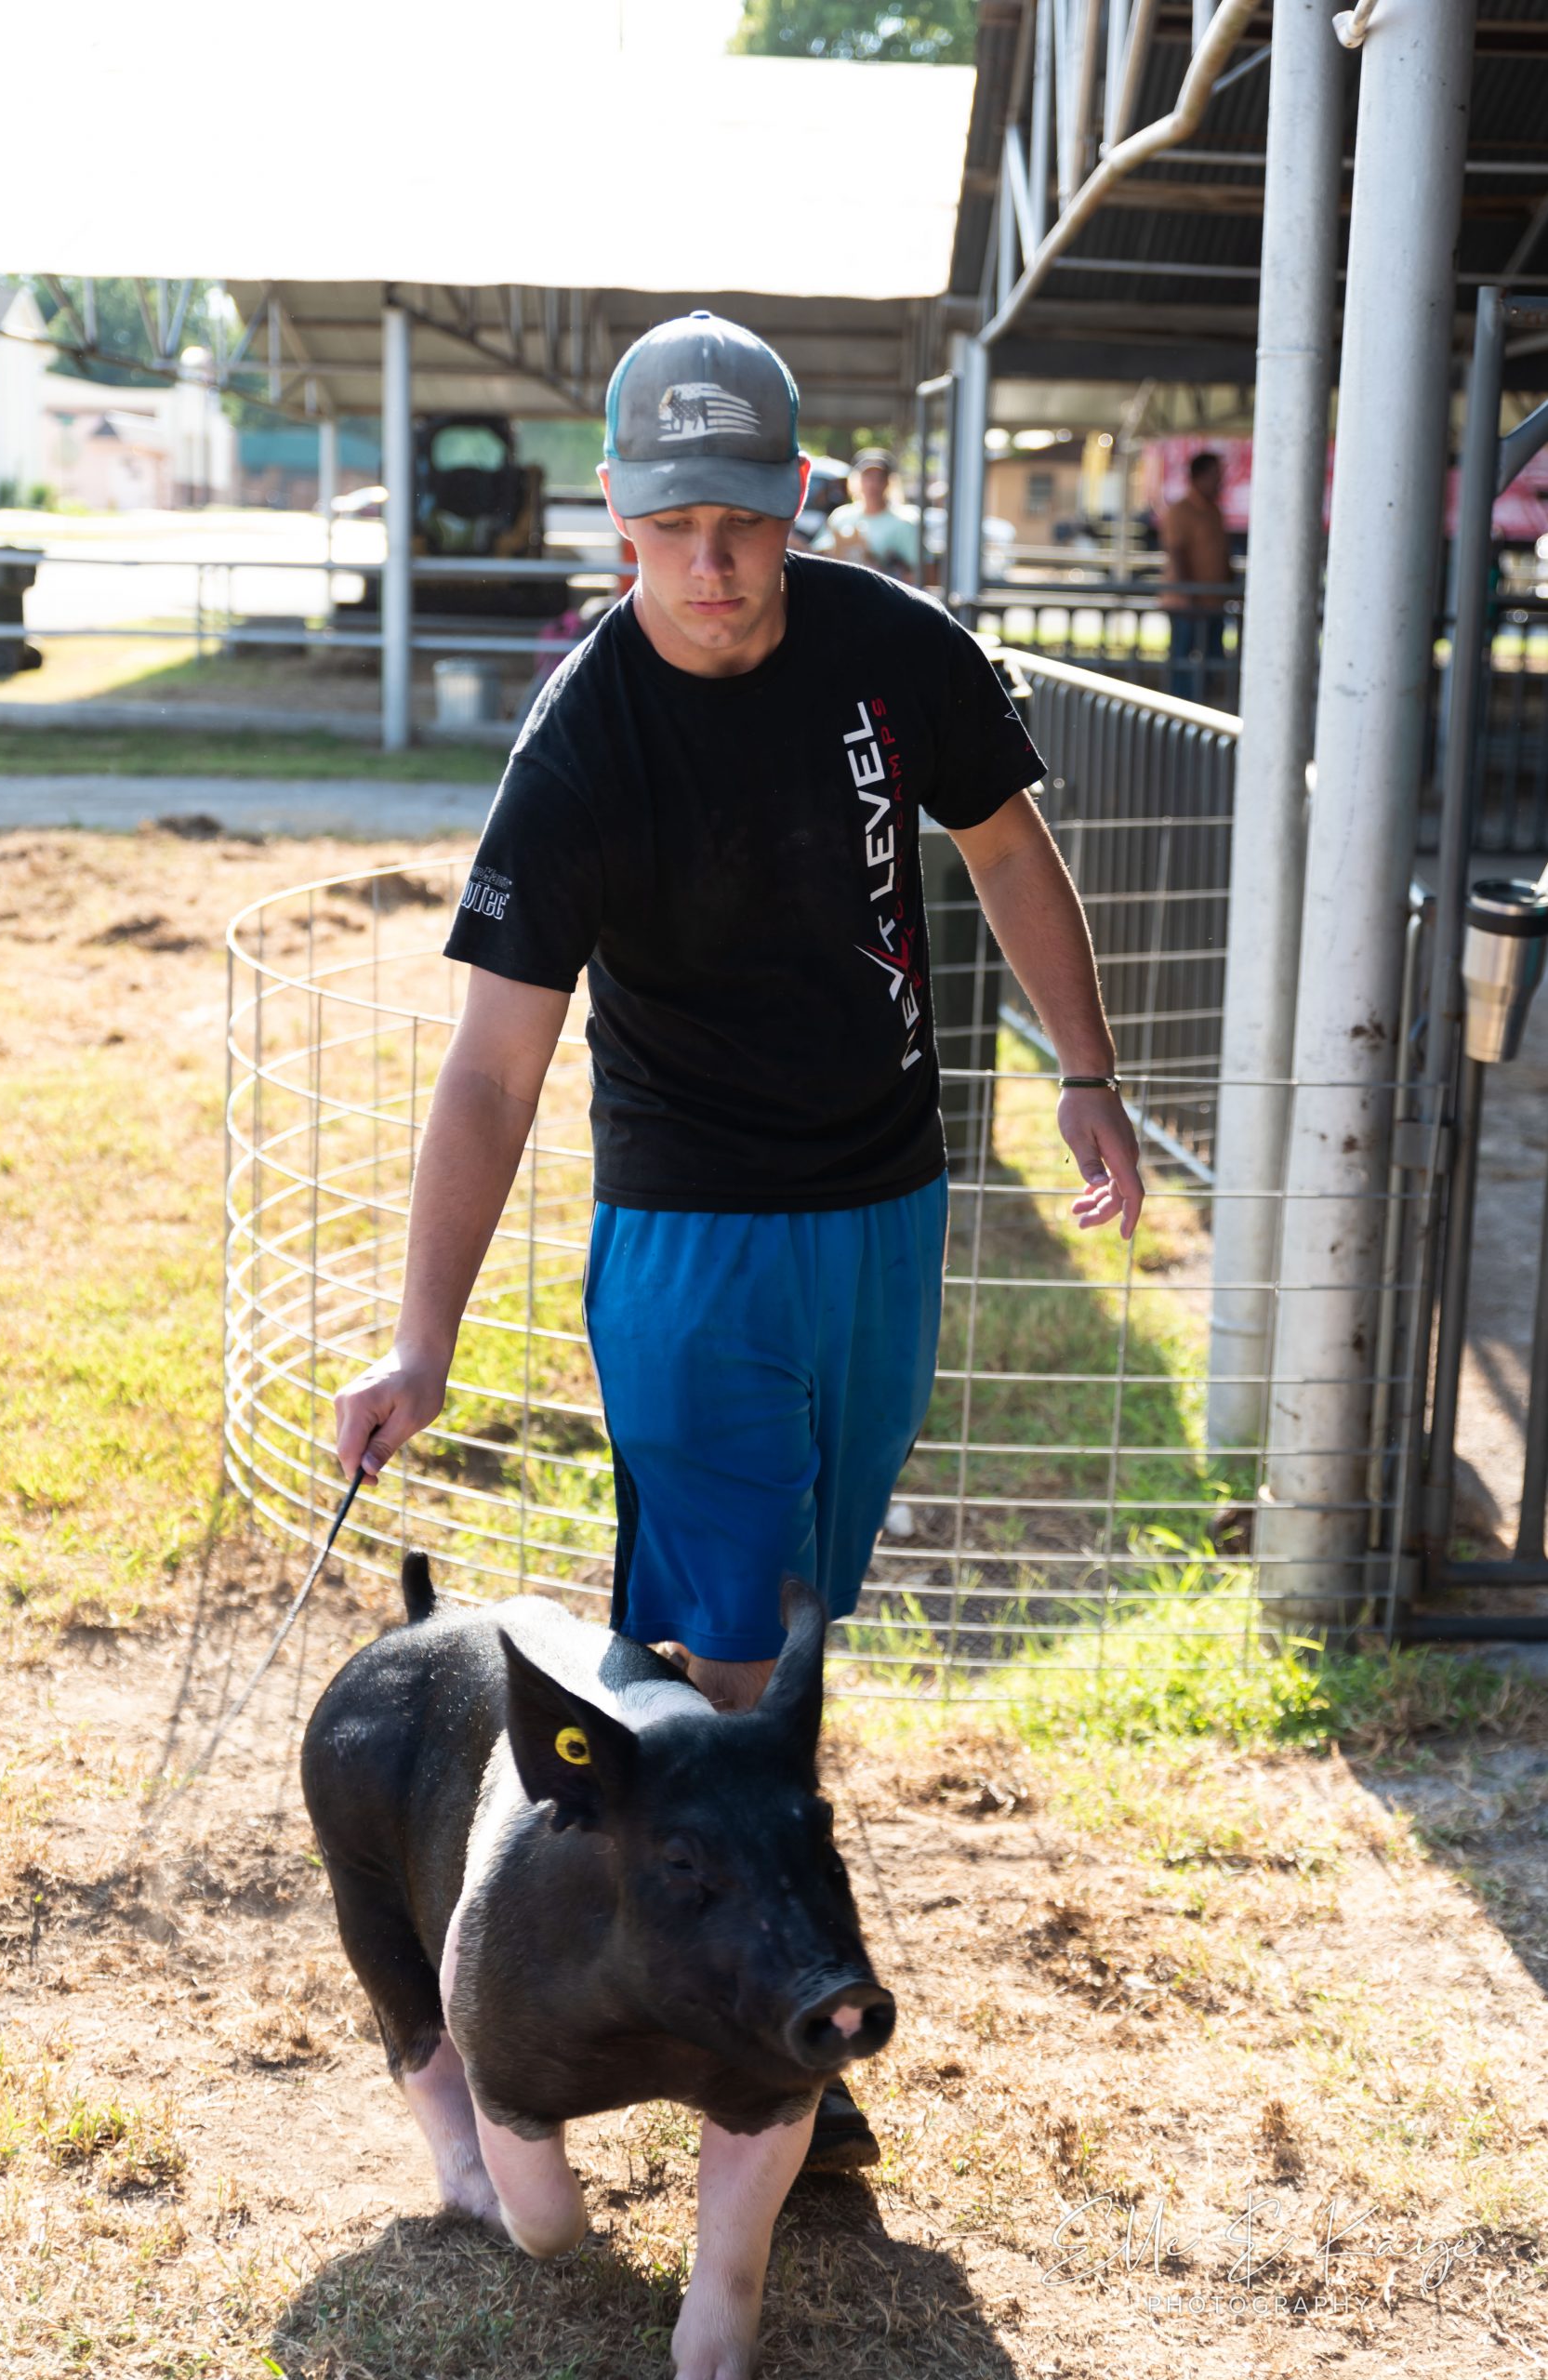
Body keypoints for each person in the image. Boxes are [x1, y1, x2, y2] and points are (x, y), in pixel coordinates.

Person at [333, 311, 1143, 2171]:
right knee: (729, 1653)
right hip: (689, 1236)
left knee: (788, 1625)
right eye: (672, 526)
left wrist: (1085, 1072)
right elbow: (492, 1071)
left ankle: (628, 1914)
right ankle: (762, 2045)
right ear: (616, 518)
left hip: (882, 1210)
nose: (709, 564)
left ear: (798, 504)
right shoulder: (580, 747)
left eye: (744, 523)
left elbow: (1003, 849)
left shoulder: (890, 651)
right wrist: (422, 1339)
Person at [1161, 449, 1233, 702]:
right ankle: (1179, 709)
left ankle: (1202, 705)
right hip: (1188, 604)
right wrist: (1187, 593)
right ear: (1199, 476)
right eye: (1215, 475)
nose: (1220, 480)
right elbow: (1177, 552)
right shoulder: (1180, 511)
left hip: (1212, 602)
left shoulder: (1214, 511)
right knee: (1183, 660)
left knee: (1213, 659)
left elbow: (1221, 553)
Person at [812, 445, 920, 578]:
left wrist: (883, 571)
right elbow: (817, 554)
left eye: (880, 478)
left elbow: (924, 574)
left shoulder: (905, 522)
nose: (873, 484)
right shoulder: (840, 517)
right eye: (867, 477)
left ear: (889, 482)